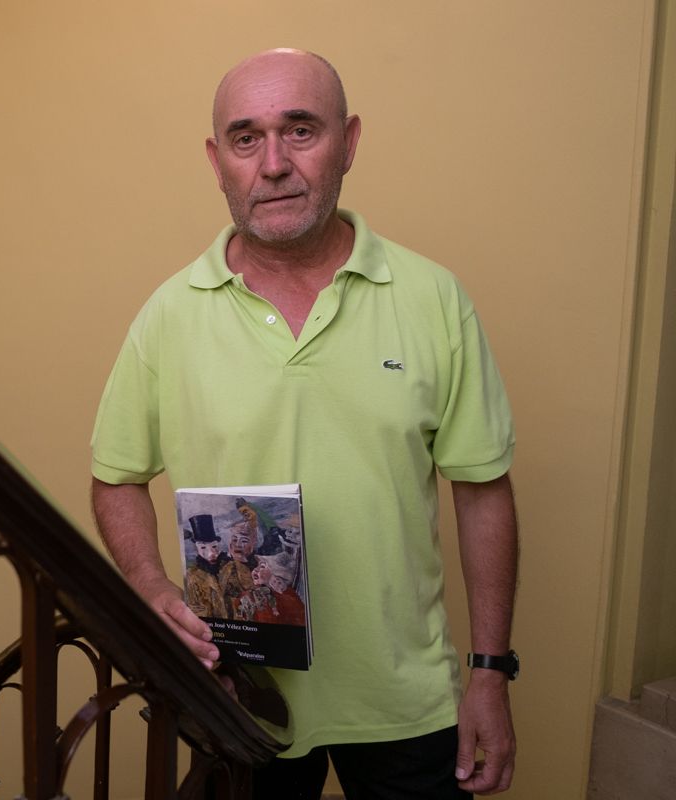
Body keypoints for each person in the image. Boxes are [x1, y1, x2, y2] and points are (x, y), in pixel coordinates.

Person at [90, 48, 518, 798]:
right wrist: (151, 584)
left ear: (348, 142)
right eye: (246, 138)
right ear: (217, 160)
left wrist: (490, 673)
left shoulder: (433, 299)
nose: (275, 163)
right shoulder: (168, 315)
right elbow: (117, 477)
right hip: (240, 693)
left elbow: (483, 492)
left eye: (301, 130)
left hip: (405, 702)